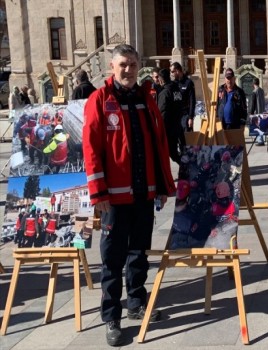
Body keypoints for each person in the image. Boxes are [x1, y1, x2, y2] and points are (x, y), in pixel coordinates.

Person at [83, 44, 176, 347]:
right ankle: (112, 316)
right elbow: (92, 149)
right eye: (123, 64)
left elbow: (159, 144)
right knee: (112, 259)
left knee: (139, 253)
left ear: (139, 67)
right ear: (112, 66)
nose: (128, 70)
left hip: (143, 194)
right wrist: (99, 194)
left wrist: (161, 187)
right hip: (114, 198)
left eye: (133, 65)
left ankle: (136, 302)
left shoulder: (145, 100)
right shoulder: (99, 100)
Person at [157, 68, 184, 164]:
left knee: (171, 153)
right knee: (175, 152)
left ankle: (185, 169)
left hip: (168, 129)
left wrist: (160, 129)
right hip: (178, 125)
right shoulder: (176, 90)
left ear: (161, 80)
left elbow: (162, 113)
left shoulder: (165, 93)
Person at [170, 62, 196, 131]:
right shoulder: (173, 83)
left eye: (172, 72)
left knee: (186, 138)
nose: (171, 74)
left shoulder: (188, 83)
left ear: (177, 71)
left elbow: (192, 101)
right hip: (176, 115)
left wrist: (191, 117)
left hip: (185, 115)